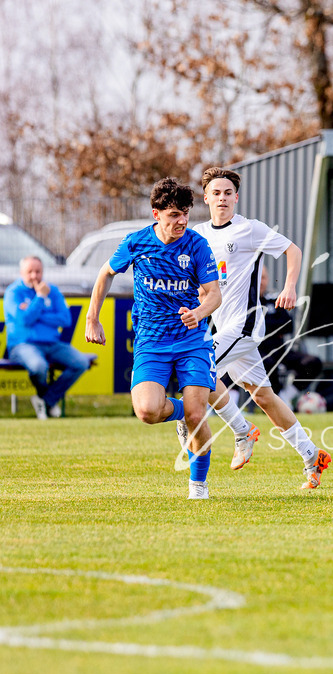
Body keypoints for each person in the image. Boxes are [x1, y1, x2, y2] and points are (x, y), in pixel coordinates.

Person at [189, 167, 332, 490]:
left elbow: (292, 251)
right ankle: (312, 456)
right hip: (222, 325)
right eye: (216, 193)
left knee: (198, 370)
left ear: (236, 197)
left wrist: (290, 286)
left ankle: (242, 431)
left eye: (228, 193)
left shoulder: (249, 229)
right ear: (206, 198)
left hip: (245, 324)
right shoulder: (199, 234)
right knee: (264, 396)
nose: (222, 198)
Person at [84, 178, 223, 500]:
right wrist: (93, 318)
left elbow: (215, 295)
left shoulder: (197, 246)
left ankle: (198, 486)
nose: (183, 221)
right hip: (151, 342)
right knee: (147, 412)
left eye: (186, 213)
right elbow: (105, 273)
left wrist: (199, 312)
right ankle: (182, 414)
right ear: (156, 214)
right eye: (174, 214)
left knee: (198, 413)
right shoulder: (136, 243)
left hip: (192, 340)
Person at [3, 255, 93, 418]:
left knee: (81, 362)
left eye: (38, 271)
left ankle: (46, 400)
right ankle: (47, 402)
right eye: (30, 271)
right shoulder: (13, 292)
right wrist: (40, 298)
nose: (34, 276)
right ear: (21, 272)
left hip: (52, 344)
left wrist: (36, 312)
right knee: (38, 367)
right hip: (23, 345)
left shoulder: (52, 290)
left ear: (42, 271)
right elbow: (24, 320)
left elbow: (65, 319)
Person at [258, 269, 323, 402]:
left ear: (268, 280)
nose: (260, 281)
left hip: (279, 349)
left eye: (263, 277)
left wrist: (265, 325)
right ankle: (274, 401)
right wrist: (273, 325)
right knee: (268, 364)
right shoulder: (245, 301)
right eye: (258, 277)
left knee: (313, 362)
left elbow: (288, 325)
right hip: (257, 351)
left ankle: (285, 397)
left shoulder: (274, 299)